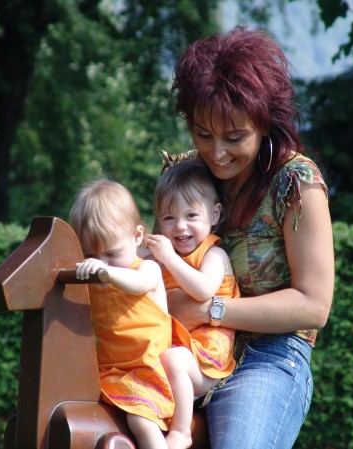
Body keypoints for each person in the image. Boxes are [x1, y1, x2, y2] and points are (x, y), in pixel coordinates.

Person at [165, 26, 335, 449]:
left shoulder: (296, 183)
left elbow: (313, 306)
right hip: (183, 348)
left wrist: (210, 310)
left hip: (270, 357)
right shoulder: (188, 174)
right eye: (203, 134)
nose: (216, 152)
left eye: (234, 137)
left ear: (265, 122)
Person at [69, 179, 196, 449]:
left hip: (149, 372)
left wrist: (106, 272)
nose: (101, 263)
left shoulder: (146, 269)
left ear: (137, 237)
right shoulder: (97, 280)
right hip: (112, 372)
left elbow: (138, 284)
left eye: (112, 253)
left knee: (140, 422)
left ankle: (177, 436)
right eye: (91, 254)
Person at [145, 159, 240, 446]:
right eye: (169, 218)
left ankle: (181, 432)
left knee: (173, 359)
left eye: (191, 215)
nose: (180, 226)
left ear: (214, 214)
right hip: (175, 349)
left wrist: (168, 259)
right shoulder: (164, 256)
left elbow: (203, 290)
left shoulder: (214, 255)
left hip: (206, 357)